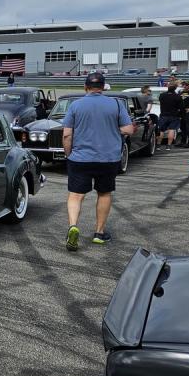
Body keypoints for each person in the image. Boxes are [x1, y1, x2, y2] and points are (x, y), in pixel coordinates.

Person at [62, 72, 134, 251]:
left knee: (76, 195)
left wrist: (68, 154)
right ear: (103, 87)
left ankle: (73, 226)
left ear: (86, 87)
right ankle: (99, 233)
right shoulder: (116, 104)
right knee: (104, 193)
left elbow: (66, 134)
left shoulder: (75, 105)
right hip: (108, 158)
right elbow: (128, 129)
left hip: (80, 158)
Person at [156, 84, 183, 149]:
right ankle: (168, 146)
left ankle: (158, 145)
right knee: (172, 130)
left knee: (161, 130)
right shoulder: (177, 96)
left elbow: (160, 101)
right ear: (175, 89)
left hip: (163, 115)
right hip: (174, 115)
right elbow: (181, 107)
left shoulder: (162, 95)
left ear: (168, 88)